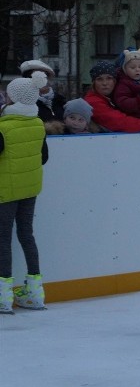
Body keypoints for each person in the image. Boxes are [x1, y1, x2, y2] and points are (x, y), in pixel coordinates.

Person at [0, 72, 50, 313]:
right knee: (26, 234)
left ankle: (3, 294)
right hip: (30, 189)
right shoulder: (38, 123)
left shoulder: (3, 127)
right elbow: (44, 157)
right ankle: (34, 290)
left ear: (10, 99)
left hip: (5, 191)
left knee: (2, 238)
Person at [83, 61, 140, 134]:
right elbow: (119, 122)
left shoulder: (112, 98)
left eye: (109, 78)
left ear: (114, 81)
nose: (105, 83)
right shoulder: (93, 102)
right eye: (99, 79)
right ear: (93, 83)